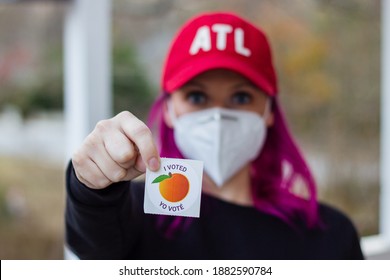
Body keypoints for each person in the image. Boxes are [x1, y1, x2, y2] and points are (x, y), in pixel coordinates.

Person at [65, 11, 364, 259]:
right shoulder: (134, 212)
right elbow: (92, 239)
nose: (219, 115)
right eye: (197, 97)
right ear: (169, 109)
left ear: (269, 111)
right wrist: (90, 185)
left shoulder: (330, 235)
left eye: (242, 98)